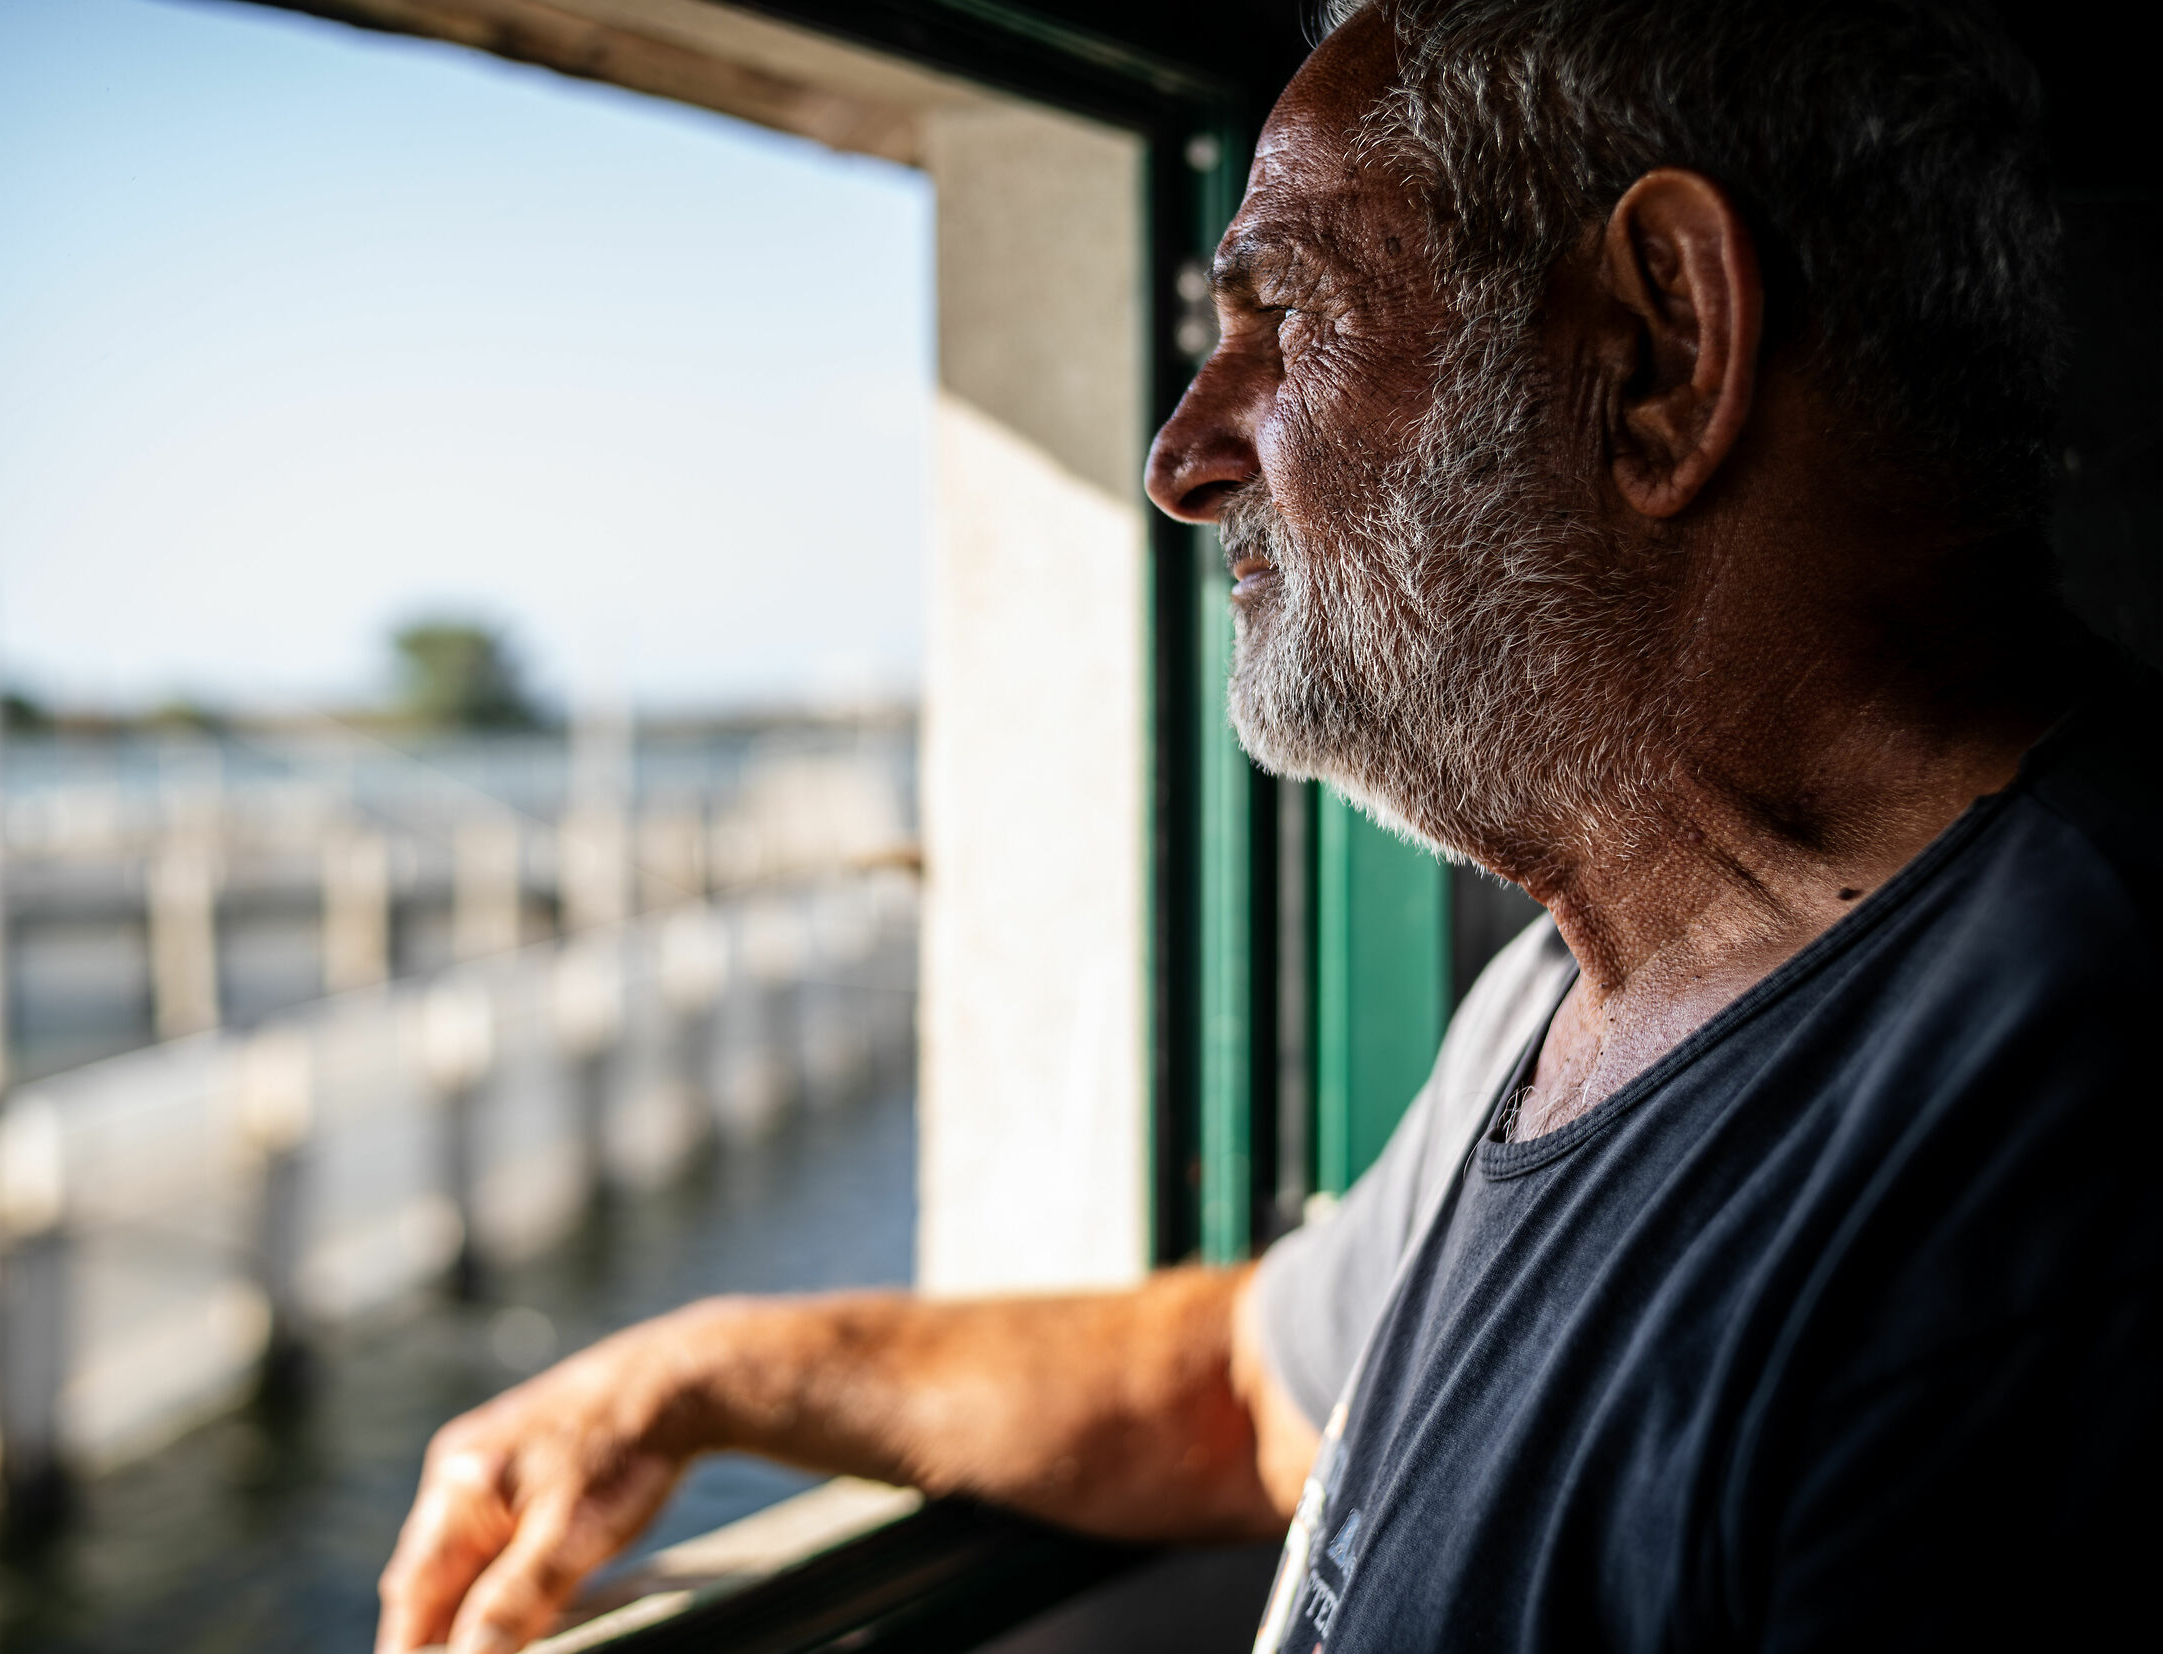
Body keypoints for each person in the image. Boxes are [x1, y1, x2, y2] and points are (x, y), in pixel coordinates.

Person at [376, 2, 2159, 1650]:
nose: (1180, 454)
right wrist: (703, 1370)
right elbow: (1249, 1386)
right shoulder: (1596, 973)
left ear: (1658, 347)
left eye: (1283, 320)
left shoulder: (2053, 1147)